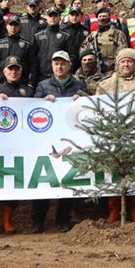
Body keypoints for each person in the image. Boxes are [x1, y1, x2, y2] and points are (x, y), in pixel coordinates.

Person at [95, 49, 135, 223]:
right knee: (112, 173)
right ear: (117, 64)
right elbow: (98, 110)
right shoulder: (105, 85)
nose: (126, 64)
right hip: (114, 137)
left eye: (129, 61)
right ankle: (114, 211)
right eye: (122, 61)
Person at [32, 51, 88, 232]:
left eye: (63, 63)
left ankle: (63, 219)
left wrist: (82, 98)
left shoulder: (79, 84)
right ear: (52, 66)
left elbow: (87, 107)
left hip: (70, 139)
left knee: (67, 179)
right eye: (56, 63)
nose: (59, 67)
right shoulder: (43, 85)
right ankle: (38, 220)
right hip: (46, 140)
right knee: (43, 180)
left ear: (69, 65)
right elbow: (32, 107)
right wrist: (42, 100)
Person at [0, 56, 34, 235]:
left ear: (21, 71)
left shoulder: (28, 91)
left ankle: (7, 221)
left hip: (20, 145)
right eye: (10, 69)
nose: (13, 71)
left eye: (16, 69)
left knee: (14, 183)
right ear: (4, 71)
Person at [0, 17, 37, 88]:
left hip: (22, 84)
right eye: (11, 25)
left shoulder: (27, 45)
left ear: (19, 26)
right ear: (7, 26)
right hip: (1, 83)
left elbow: (33, 65)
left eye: (16, 25)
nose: (13, 27)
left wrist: (31, 83)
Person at [80, 7, 128, 75]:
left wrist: (112, 65)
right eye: (100, 16)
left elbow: (122, 52)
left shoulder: (118, 34)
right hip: (94, 70)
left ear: (109, 17)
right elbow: (83, 50)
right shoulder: (93, 35)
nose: (102, 18)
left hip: (113, 69)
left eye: (104, 16)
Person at [33, 7, 71, 83]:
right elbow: (32, 57)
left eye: (55, 16)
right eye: (50, 16)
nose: (53, 18)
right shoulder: (37, 36)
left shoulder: (66, 36)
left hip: (59, 75)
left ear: (60, 18)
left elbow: (71, 56)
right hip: (40, 76)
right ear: (46, 18)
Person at [60, 6, 89, 73]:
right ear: (69, 16)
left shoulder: (85, 31)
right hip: (66, 62)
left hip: (82, 63)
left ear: (80, 16)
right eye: (72, 15)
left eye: (77, 15)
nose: (74, 17)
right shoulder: (63, 30)